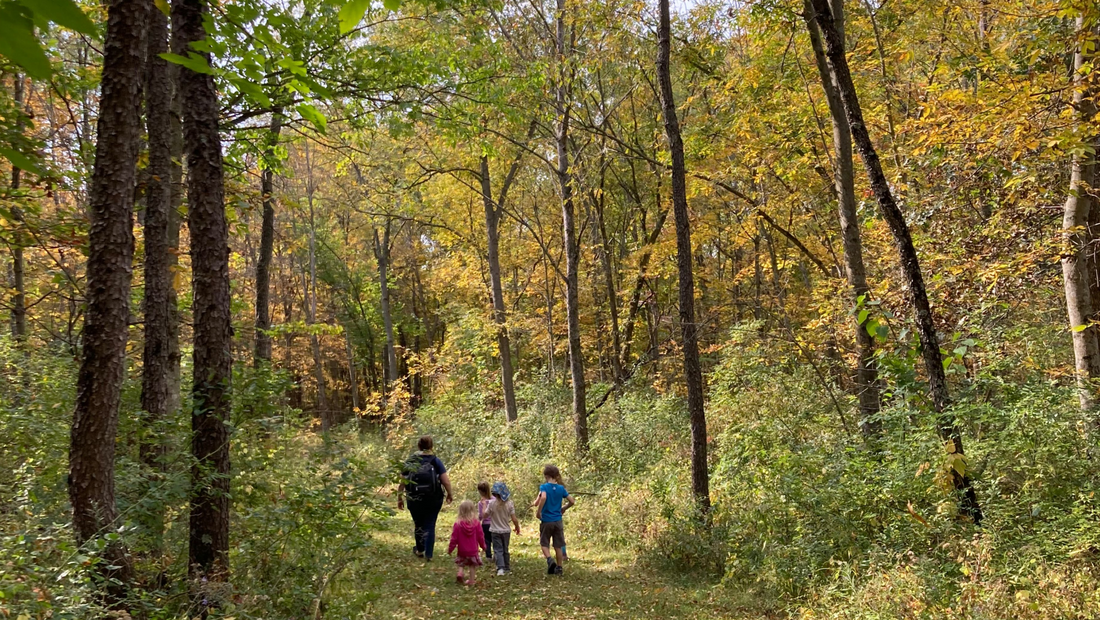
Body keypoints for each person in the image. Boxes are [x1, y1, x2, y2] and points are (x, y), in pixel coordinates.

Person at [397, 436, 453, 561]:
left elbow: (402, 481)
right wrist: (450, 494)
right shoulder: (435, 461)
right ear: (431, 446)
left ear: (418, 446)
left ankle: (420, 549)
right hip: (433, 498)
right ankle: (429, 554)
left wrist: (399, 497)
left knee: (418, 524)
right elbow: (445, 481)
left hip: (414, 498)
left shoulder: (410, 461)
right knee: (430, 524)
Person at [532, 464, 574, 575]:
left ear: (546, 476)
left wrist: (538, 512)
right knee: (558, 545)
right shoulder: (561, 488)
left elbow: (544, 497)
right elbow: (572, 501)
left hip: (547, 520)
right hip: (558, 521)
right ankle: (559, 568)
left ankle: (550, 560)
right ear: (556, 476)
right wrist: (564, 508)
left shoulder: (544, 487)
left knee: (544, 543)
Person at [447, 500, 487, 586]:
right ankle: (471, 581)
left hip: (462, 550)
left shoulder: (458, 524)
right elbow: (480, 536)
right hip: (473, 550)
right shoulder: (476, 523)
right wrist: (483, 546)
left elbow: (454, 538)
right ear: (473, 510)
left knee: (461, 563)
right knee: (472, 565)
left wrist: (450, 549)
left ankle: (460, 573)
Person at [487, 481, 520, 576]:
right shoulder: (510, 504)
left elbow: (486, 514)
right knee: (505, 549)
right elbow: (514, 519)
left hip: (494, 530)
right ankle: (507, 567)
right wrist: (517, 527)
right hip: (506, 531)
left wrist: (481, 518)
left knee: (498, 550)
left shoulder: (491, 503)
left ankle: (500, 568)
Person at [476, 482, 493, 560]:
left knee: (487, 540)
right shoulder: (495, 500)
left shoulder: (481, 503)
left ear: (480, 491)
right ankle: (497, 554)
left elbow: (481, 516)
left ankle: (488, 555)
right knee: (495, 540)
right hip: (494, 523)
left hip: (485, 524)